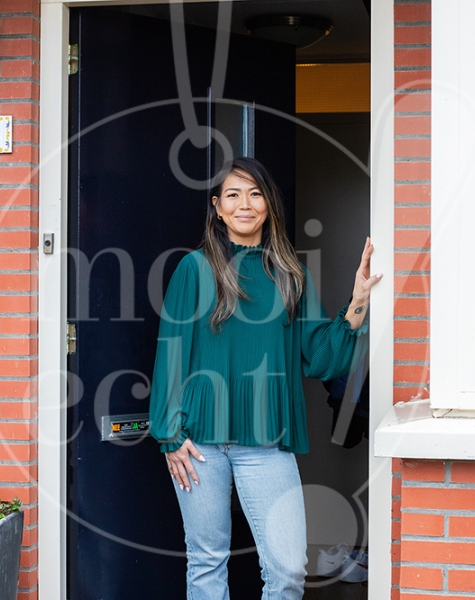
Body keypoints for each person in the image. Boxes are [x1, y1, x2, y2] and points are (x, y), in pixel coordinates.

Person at [149, 157, 381, 600]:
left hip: (265, 444)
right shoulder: (194, 269)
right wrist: (169, 435)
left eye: (255, 194)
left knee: (289, 569)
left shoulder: (290, 273)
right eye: (233, 195)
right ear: (217, 207)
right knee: (206, 562)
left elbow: (319, 357)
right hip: (198, 443)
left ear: (268, 205)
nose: (245, 204)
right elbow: (171, 353)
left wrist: (357, 301)